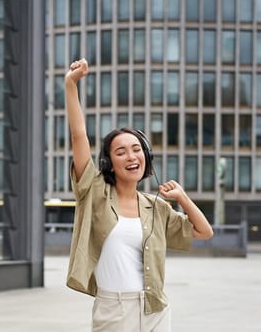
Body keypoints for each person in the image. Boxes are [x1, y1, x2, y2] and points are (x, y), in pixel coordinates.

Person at [63, 58, 214, 332]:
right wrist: (71, 84)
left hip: (155, 308)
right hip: (114, 310)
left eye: (136, 149)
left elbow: (204, 232)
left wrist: (182, 198)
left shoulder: (154, 207)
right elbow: (78, 136)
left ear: (146, 156)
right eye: (121, 152)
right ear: (108, 162)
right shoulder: (94, 192)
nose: (131, 156)